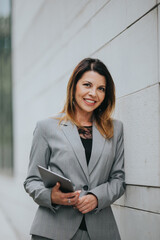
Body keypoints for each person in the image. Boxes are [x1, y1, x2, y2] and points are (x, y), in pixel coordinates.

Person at [24, 58, 125, 240]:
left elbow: (118, 180)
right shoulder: (46, 127)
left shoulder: (116, 129)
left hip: (101, 231)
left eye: (101, 88)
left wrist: (96, 197)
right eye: (87, 85)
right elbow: (32, 180)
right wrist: (51, 196)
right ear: (74, 86)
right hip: (52, 231)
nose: (93, 93)